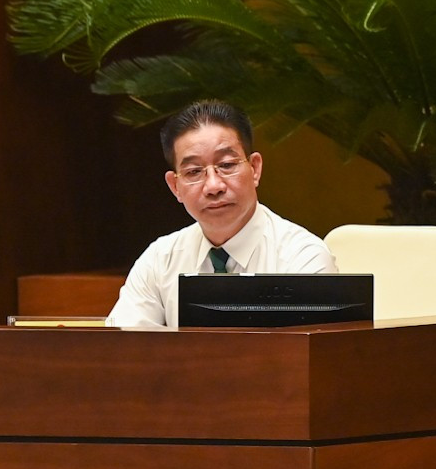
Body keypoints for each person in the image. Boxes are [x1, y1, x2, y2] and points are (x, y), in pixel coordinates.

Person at [106, 99, 336, 329]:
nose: (213, 186)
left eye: (226, 165)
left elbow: (310, 359)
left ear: (255, 168)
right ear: (175, 186)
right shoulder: (159, 260)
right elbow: (122, 349)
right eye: (194, 171)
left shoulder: (304, 259)